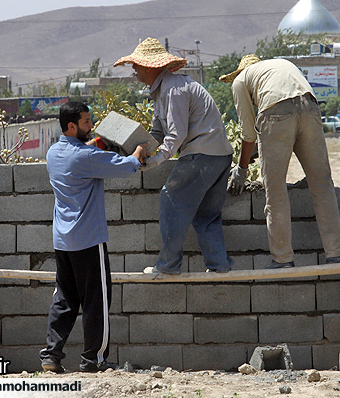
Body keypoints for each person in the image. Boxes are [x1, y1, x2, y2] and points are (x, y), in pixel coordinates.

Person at [40, 101, 148, 373]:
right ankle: (94, 360)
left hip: (63, 241)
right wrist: (138, 153)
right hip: (88, 240)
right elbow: (126, 167)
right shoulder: (87, 158)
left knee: (64, 299)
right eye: (87, 122)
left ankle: (51, 356)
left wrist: (96, 143)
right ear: (72, 125)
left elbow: (82, 152)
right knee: (96, 301)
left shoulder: (53, 153)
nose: (91, 126)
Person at [113, 38, 234, 274]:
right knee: (206, 216)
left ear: (149, 66)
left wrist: (156, 161)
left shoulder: (172, 89)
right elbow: (158, 132)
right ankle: (219, 265)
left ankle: (168, 265)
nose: (134, 69)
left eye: (136, 65)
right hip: (219, 155)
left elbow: (177, 134)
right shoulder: (163, 89)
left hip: (202, 155)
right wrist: (141, 151)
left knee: (170, 200)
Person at [220, 54, 340, 268]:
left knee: (275, 192)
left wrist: (241, 169)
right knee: (322, 184)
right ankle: (337, 252)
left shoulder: (240, 81)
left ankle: (282, 259)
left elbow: (248, 134)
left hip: (275, 113)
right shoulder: (282, 64)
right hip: (310, 107)